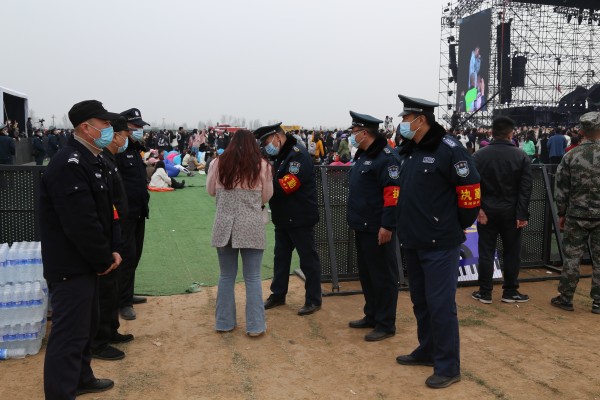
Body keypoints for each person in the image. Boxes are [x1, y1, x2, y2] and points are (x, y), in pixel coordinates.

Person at [395, 95, 480, 389]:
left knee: (441, 305)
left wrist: (452, 225)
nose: (402, 123)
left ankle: (448, 366)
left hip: (440, 243)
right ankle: (428, 350)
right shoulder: (410, 150)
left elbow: (470, 192)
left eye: (406, 119)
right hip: (413, 240)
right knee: (420, 301)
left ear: (421, 120)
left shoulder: (449, 149)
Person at [41, 100, 122, 399]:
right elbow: (80, 222)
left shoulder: (92, 159)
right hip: (71, 266)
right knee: (68, 335)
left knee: (85, 328)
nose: (109, 129)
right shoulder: (69, 164)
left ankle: (81, 378)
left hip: (87, 263)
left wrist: (111, 249)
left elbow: (105, 212)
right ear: (86, 128)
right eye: (105, 124)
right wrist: (102, 258)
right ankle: (61, 392)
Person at [207, 129, 273, 336]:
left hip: (224, 225)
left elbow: (210, 191)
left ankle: (224, 322)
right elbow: (266, 196)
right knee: (253, 277)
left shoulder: (217, 163)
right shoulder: (263, 165)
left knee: (226, 276)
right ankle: (255, 326)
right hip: (251, 225)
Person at [256, 123, 322, 316]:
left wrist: (263, 186)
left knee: (308, 260)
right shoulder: (280, 155)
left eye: (267, 142)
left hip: (300, 217)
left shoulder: (298, 155)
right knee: (281, 258)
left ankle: (313, 299)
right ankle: (278, 294)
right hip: (283, 218)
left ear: (277, 137)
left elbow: (288, 185)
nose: (266, 146)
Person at [346, 111, 401, 342]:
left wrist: (387, 225)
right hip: (362, 225)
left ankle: (386, 323)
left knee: (383, 277)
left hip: (378, 227)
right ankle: (372, 315)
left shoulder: (386, 158)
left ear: (364, 133)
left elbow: (393, 195)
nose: (352, 135)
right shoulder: (363, 155)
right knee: (368, 275)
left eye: (354, 131)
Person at [471, 116, 532, 304]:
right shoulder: (521, 156)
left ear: (492, 132)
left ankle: (485, 292)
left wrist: (478, 209)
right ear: (511, 134)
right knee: (512, 252)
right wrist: (521, 214)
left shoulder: (479, 156)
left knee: (486, 251)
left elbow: (472, 186)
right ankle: (510, 291)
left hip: (486, 212)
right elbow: (525, 189)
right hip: (511, 212)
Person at [91, 116, 135, 361]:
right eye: (125, 134)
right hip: (108, 230)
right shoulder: (101, 160)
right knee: (105, 288)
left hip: (118, 228)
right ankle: (99, 341)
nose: (127, 139)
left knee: (113, 285)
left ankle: (111, 330)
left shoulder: (109, 159)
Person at [551, 112, 600, 314]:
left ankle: (566, 298)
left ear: (581, 131)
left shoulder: (570, 156)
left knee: (572, 258)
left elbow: (561, 189)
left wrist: (561, 213)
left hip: (576, 215)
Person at [116, 108, 151, 320]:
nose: (139, 130)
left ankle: (127, 293)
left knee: (135, 254)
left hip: (139, 211)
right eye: (135, 127)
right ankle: (123, 302)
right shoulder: (119, 150)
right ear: (125, 127)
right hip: (125, 215)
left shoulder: (135, 148)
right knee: (126, 257)